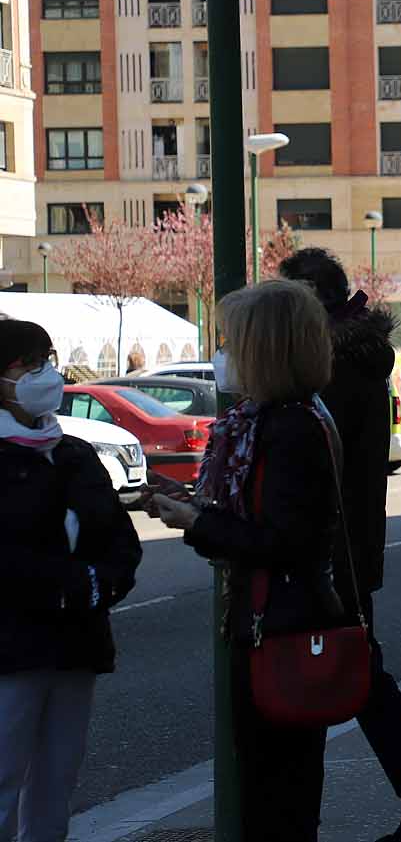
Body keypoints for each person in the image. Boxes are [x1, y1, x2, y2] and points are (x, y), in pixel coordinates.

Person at [151, 280, 349, 842]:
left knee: (275, 794)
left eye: (232, 342)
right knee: (279, 788)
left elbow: (285, 541)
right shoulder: (287, 418)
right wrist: (198, 513)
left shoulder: (289, 429)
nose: (223, 355)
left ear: (265, 348)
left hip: (280, 629)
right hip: (279, 620)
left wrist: (198, 522)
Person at [279, 248, 401, 837]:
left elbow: (313, 463)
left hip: (333, 551)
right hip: (348, 547)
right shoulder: (349, 363)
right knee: (352, 676)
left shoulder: (332, 372)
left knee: (341, 678)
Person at [1, 321, 141, 842]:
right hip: (12, 650)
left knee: (56, 786)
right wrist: (66, 583)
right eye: (27, 364)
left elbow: (122, 542)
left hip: (75, 645)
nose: (46, 374)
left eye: (49, 359)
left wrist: (100, 584)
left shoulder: (75, 452)